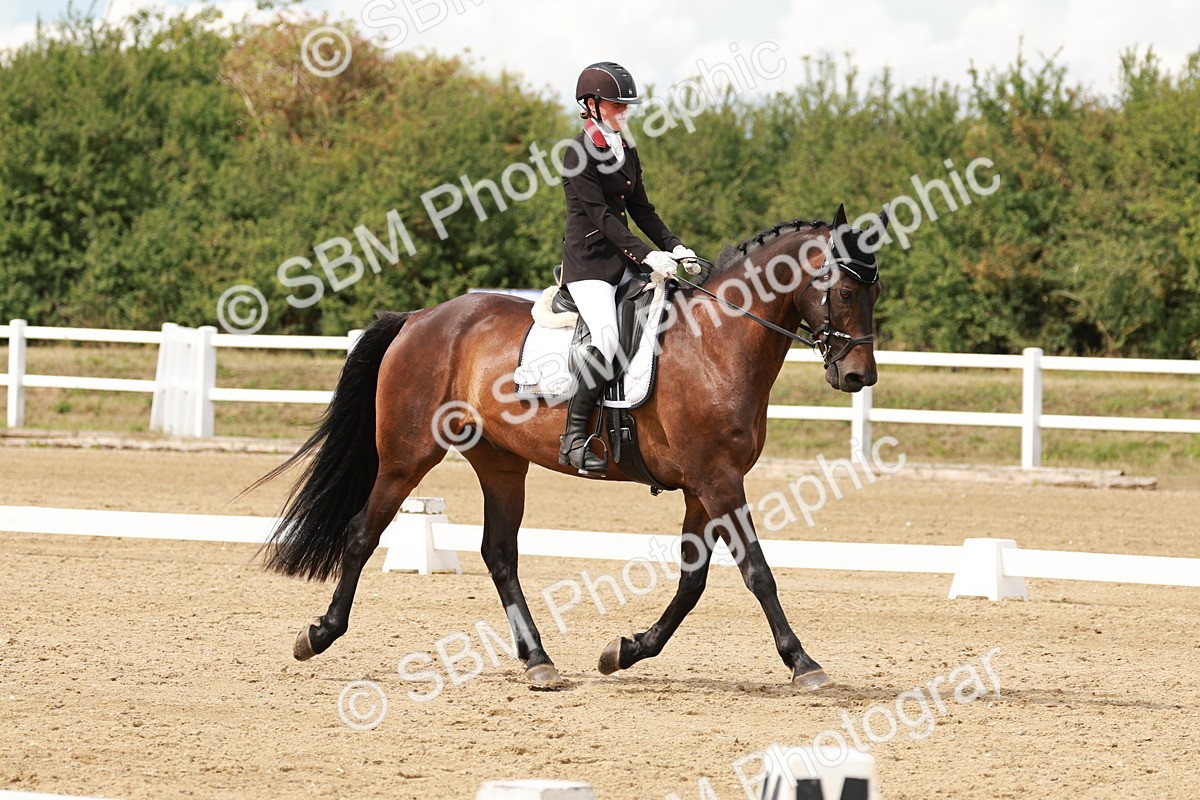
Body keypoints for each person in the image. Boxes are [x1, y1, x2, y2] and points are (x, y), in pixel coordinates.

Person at [557, 61, 695, 476]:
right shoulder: (576, 153)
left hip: (622, 263)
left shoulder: (626, 150)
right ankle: (574, 440)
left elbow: (641, 210)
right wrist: (648, 256)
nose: (624, 111)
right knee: (607, 338)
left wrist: (676, 246)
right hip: (588, 266)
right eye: (617, 104)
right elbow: (602, 217)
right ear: (592, 105)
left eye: (625, 105)